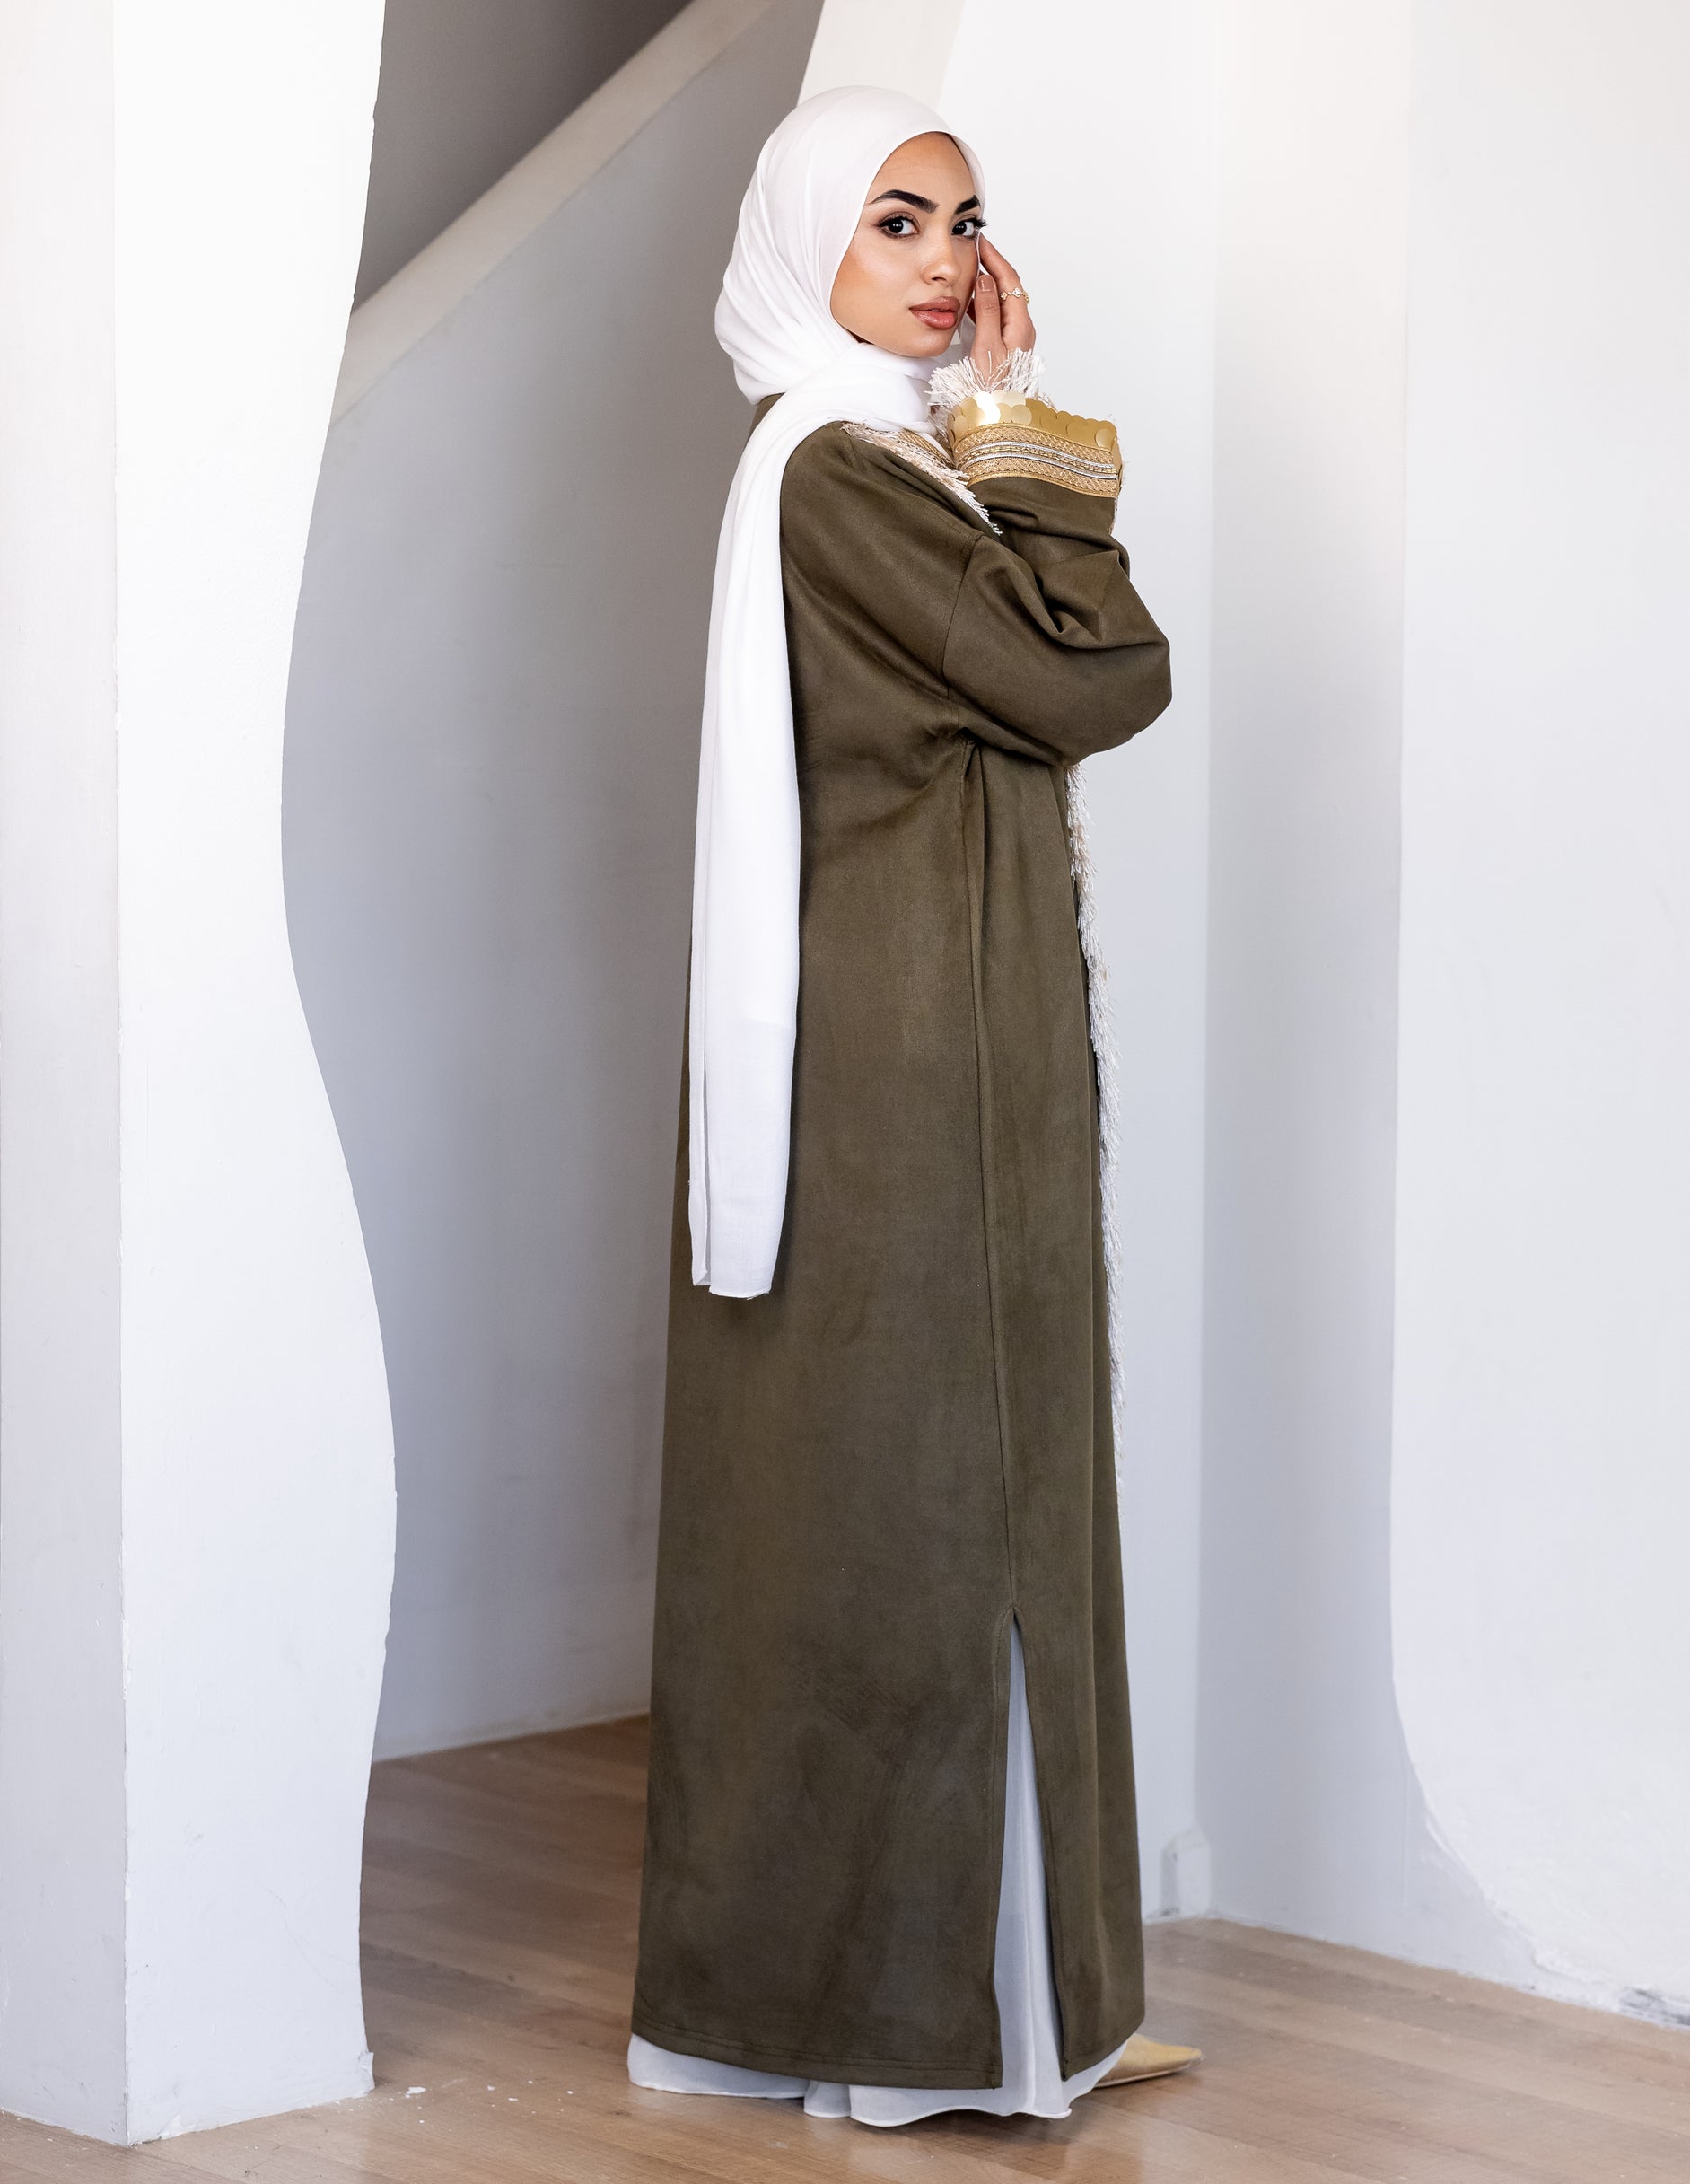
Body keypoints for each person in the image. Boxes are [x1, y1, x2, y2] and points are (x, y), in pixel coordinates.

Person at [628, 85, 1196, 2127]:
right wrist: (1021, 433)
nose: (948, 260)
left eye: (962, 218)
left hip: (958, 1020)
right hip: (898, 1050)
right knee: (915, 1509)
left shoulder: (893, 458)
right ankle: (898, 2022)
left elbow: (1055, 680)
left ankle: (1003, 2002)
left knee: (973, 1492)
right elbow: (1092, 681)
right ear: (813, 245)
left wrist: (993, 433)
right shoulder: (841, 474)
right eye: (896, 220)